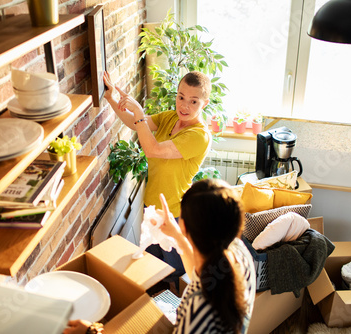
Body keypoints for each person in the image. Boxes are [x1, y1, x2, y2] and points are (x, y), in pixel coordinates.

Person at [64, 179, 256, 334]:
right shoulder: (238, 252)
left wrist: (91, 331)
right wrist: (176, 235)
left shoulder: (196, 310)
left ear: (185, 226)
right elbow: (200, 275)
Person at [103, 71, 212, 286]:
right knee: (153, 268)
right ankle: (153, 310)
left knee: (174, 273)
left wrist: (139, 112)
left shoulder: (199, 136)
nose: (184, 106)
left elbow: (153, 149)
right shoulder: (170, 117)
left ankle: (175, 313)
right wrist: (111, 98)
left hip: (175, 214)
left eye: (193, 101)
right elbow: (135, 124)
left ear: (205, 103)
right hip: (151, 207)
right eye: (181, 97)